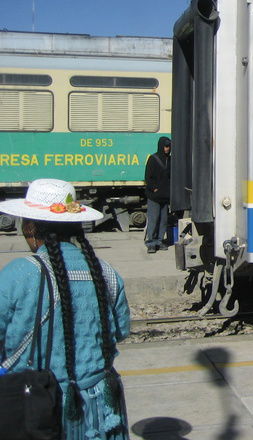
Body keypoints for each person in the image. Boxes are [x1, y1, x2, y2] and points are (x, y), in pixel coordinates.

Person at [0, 178, 130, 439]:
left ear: (30, 227)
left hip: (39, 404)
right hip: (102, 403)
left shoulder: (19, 274)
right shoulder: (105, 272)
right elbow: (121, 330)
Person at [144, 136, 171, 253]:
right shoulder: (153, 159)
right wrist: (153, 188)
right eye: (165, 146)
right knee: (154, 219)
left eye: (169, 146)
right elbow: (147, 177)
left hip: (165, 196)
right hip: (154, 196)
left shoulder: (169, 160)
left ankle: (160, 241)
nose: (167, 149)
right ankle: (151, 242)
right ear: (161, 146)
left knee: (163, 220)